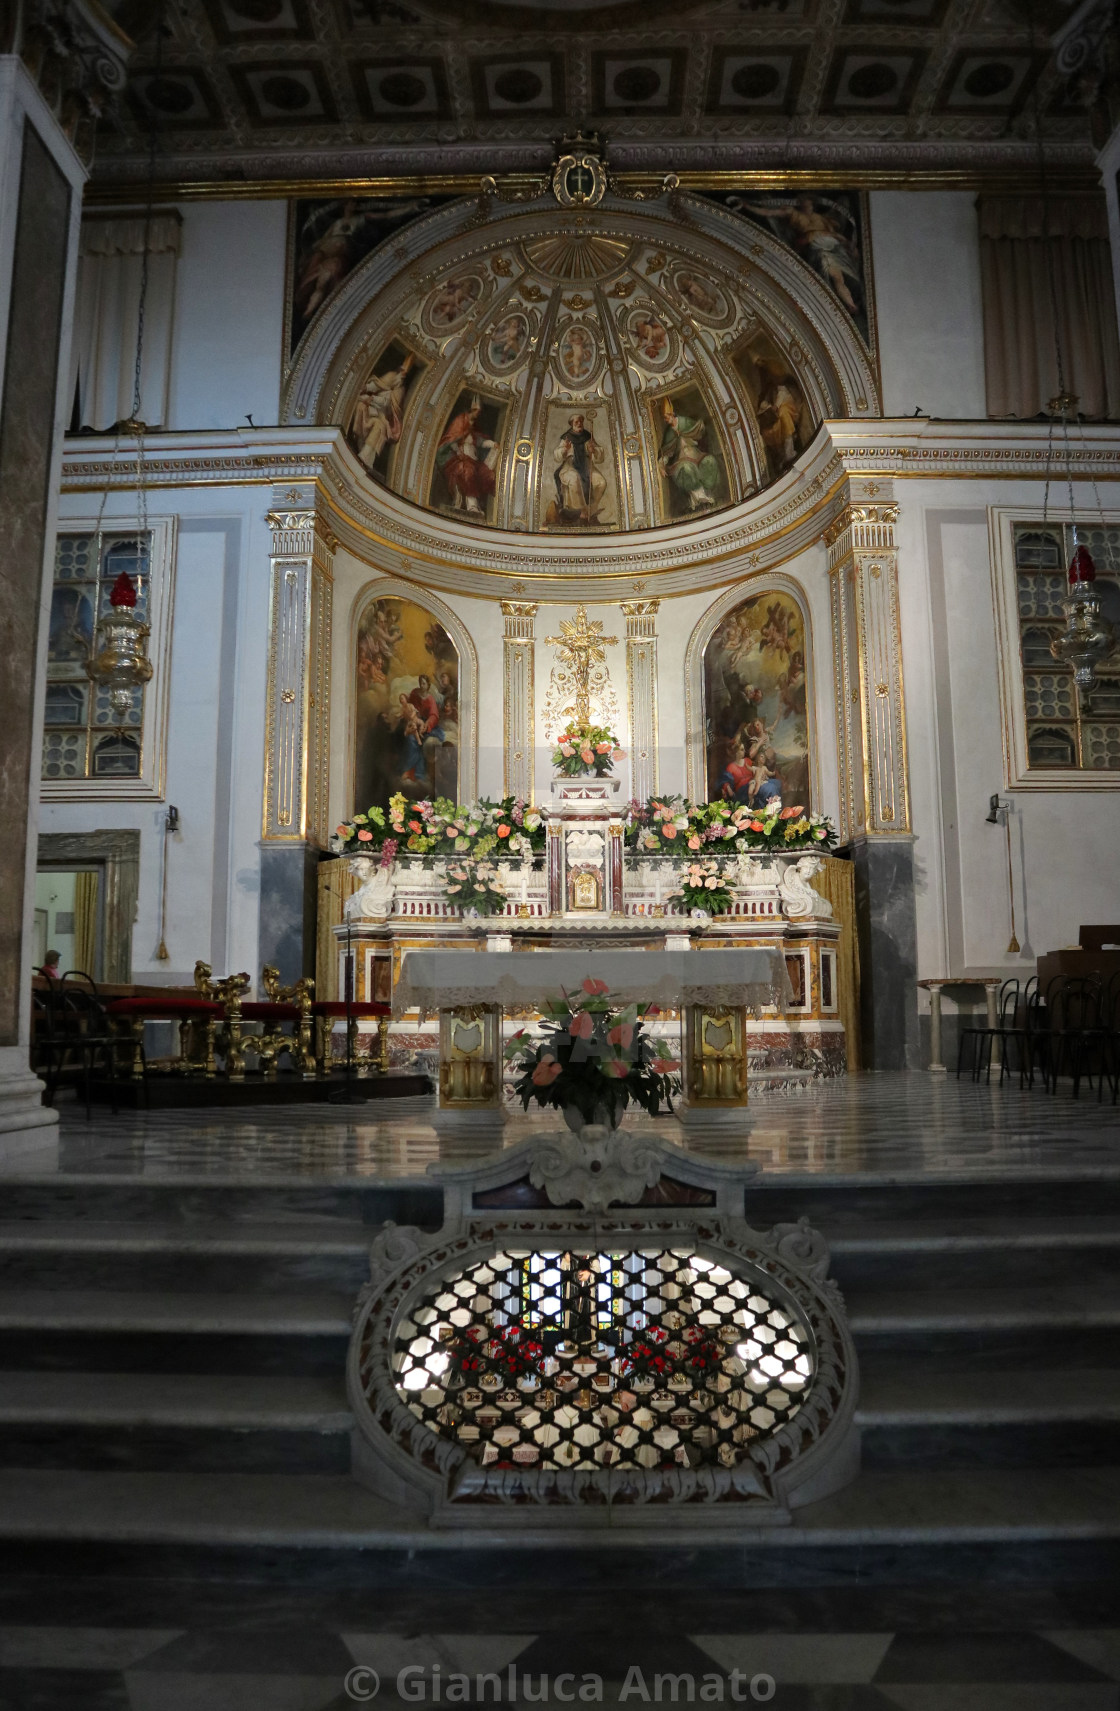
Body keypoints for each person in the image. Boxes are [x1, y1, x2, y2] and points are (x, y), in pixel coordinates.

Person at [434, 398, 500, 516]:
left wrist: (493, 444)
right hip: (462, 459)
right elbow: (451, 440)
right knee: (468, 474)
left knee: (485, 475)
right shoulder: (459, 425)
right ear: (471, 410)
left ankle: (476, 505)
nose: (477, 416)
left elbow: (481, 442)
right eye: (476, 412)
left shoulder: (473, 434)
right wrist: (458, 451)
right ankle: (472, 506)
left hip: (474, 461)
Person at [349, 353, 415, 472]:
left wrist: (372, 399)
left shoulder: (399, 391)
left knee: (380, 426)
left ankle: (366, 456)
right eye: (401, 373)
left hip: (381, 415)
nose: (401, 377)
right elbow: (374, 386)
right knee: (360, 407)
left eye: (404, 375)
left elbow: (387, 405)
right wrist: (366, 390)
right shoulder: (390, 377)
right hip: (370, 409)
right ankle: (359, 441)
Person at [658, 400, 722, 511]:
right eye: (664, 418)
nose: (666, 420)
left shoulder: (685, 422)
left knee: (709, 461)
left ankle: (706, 494)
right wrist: (662, 465)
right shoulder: (669, 432)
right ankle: (698, 498)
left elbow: (698, 430)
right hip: (681, 459)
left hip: (695, 454)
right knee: (686, 469)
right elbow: (666, 451)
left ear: (672, 414)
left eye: (666, 417)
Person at [551, 415, 607, 523]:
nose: (579, 424)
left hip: (587, 466)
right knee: (574, 479)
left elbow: (599, 454)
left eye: (581, 421)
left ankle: (590, 510)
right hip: (570, 466)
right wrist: (565, 449)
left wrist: (593, 450)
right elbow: (557, 455)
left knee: (601, 482)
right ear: (572, 424)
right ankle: (580, 512)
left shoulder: (587, 436)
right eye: (576, 422)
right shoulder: (567, 437)